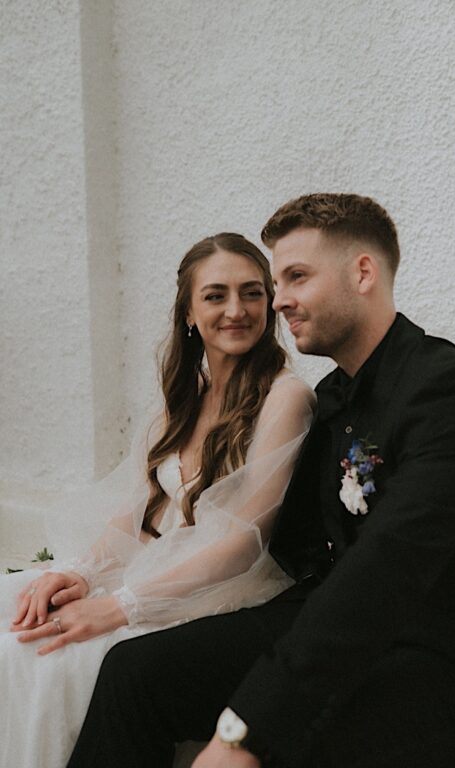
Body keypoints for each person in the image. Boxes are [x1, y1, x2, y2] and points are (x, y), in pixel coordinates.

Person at [67, 193, 455, 768]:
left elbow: (381, 578)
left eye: (296, 278)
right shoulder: (332, 399)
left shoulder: (452, 392)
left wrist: (244, 733)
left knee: (303, 738)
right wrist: (130, 582)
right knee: (137, 671)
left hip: (437, 655)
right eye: (277, 283)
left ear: (363, 272)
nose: (278, 302)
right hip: (336, 625)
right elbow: (280, 540)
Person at [0, 233, 315, 768]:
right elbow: (138, 514)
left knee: (55, 657)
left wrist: (119, 607)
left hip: (221, 592)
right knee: (13, 614)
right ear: (189, 312)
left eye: (252, 293)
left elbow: (244, 543)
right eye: (215, 295)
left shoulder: (285, 397)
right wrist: (79, 573)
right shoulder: (186, 395)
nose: (236, 310)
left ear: (270, 303)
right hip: (154, 568)